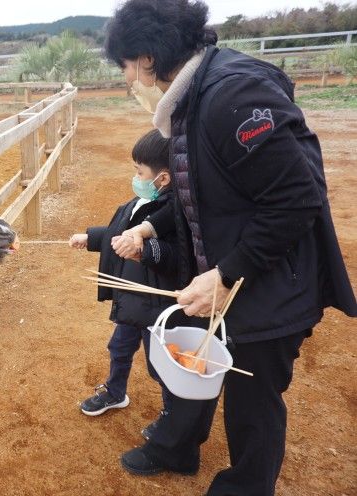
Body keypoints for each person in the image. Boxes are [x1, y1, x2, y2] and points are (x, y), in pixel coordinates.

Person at [103, 1, 357, 495]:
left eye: (125, 66)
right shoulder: (189, 100)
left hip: (268, 280)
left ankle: (245, 487)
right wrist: (152, 232)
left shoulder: (232, 95)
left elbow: (296, 199)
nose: (127, 78)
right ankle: (176, 447)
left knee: (252, 396)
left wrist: (225, 275)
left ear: (148, 58)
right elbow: (193, 196)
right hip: (219, 272)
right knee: (190, 357)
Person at [69, 129, 175, 437]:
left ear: (164, 178)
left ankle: (172, 414)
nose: (136, 177)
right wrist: (91, 237)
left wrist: (145, 250)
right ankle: (116, 392)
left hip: (158, 306)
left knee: (162, 364)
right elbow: (119, 231)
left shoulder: (171, 213)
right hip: (132, 299)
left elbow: (174, 255)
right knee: (119, 346)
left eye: (139, 171)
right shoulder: (141, 200)